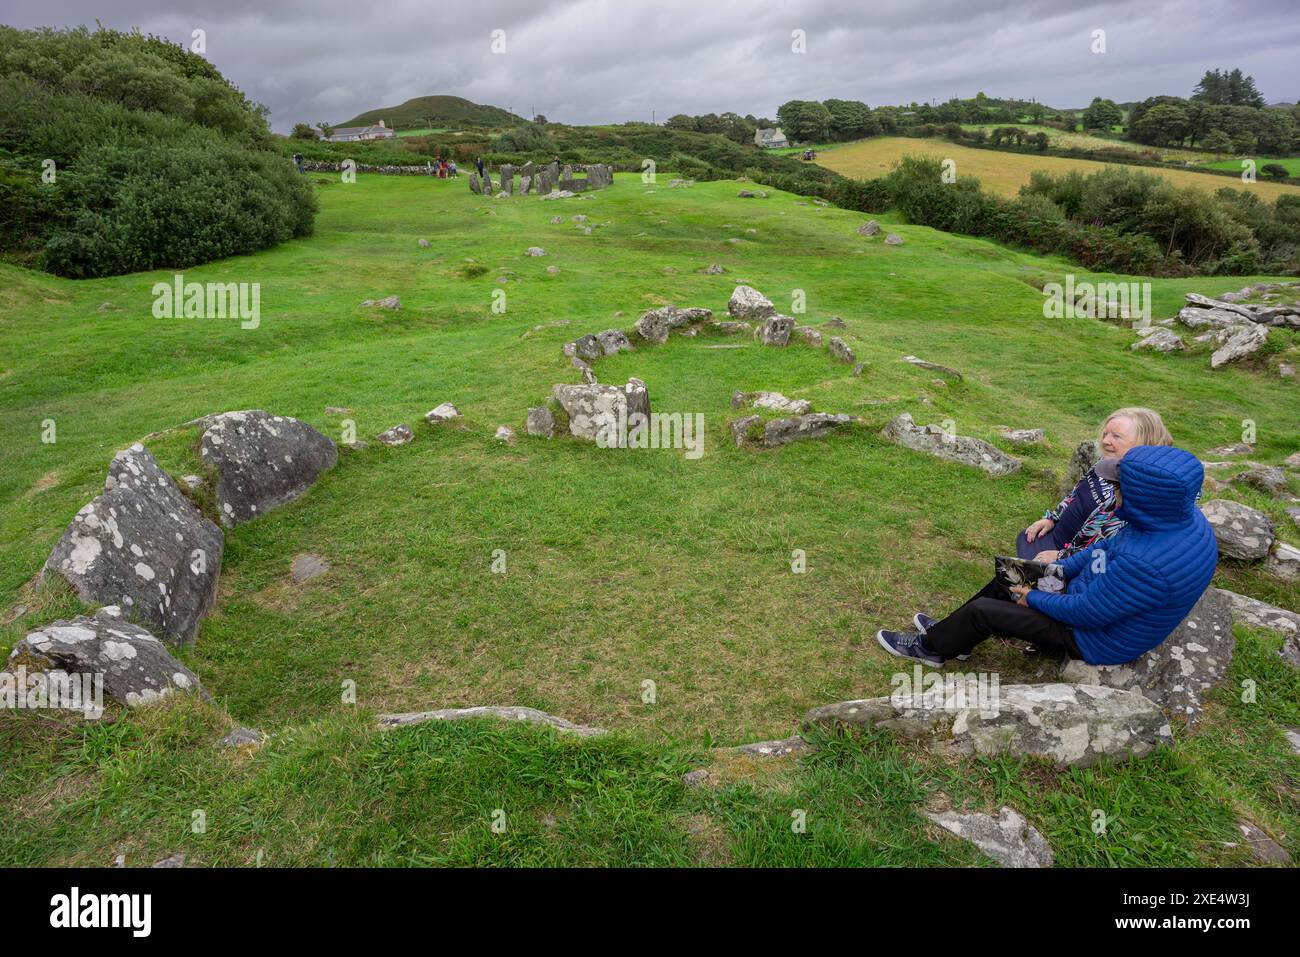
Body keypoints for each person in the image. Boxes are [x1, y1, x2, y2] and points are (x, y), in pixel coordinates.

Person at [876, 445, 1218, 667]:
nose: (1111, 496)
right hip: (1093, 598)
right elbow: (1103, 549)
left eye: (1118, 489)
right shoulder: (1172, 521)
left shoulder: (1146, 563)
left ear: (1146, 499)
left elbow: (1087, 614)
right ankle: (954, 637)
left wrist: (1035, 598)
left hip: (1096, 639)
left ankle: (930, 649)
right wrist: (1053, 570)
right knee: (1012, 573)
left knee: (986, 611)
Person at [1019, 408, 1173, 565]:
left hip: (1071, 563)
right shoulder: (1108, 464)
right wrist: (1053, 518)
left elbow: (1107, 547)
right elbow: (1076, 493)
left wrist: (1062, 557)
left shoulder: (1139, 493)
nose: (1105, 440)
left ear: (1145, 443)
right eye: (1105, 434)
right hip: (1053, 538)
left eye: (1116, 436)